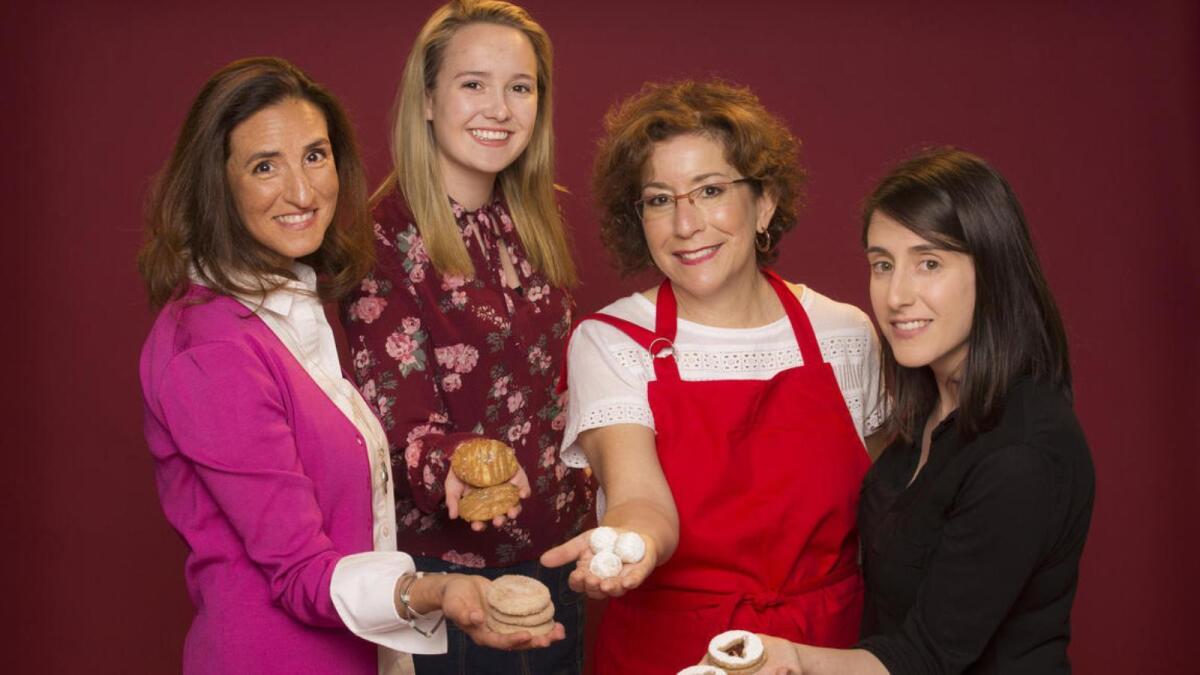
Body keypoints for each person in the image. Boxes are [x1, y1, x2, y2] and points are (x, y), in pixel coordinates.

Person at [137, 57, 562, 675]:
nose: (304, 192)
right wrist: (438, 589)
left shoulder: (285, 314)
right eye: (264, 166)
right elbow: (303, 573)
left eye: (315, 155)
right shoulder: (210, 349)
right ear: (216, 185)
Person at [539, 80, 887, 674]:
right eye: (658, 199)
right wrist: (630, 545)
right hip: (670, 655)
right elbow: (638, 498)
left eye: (710, 190)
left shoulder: (846, 334)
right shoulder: (610, 340)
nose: (686, 223)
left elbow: (886, 513)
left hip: (825, 650)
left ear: (765, 204)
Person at [754, 147, 1095, 674]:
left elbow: (924, 659)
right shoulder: (926, 414)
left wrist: (787, 658)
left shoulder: (1021, 451)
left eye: (929, 263)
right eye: (882, 265)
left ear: (994, 270)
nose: (896, 296)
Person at [340, 2, 593, 672]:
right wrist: (455, 462)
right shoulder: (382, 240)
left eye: (520, 87)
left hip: (561, 556)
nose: (500, 109)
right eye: (473, 83)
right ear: (427, 100)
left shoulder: (538, 216)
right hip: (454, 581)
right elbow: (396, 430)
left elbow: (556, 385)